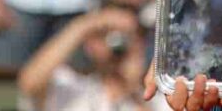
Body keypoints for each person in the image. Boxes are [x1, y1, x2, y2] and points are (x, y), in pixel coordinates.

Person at [18, 8, 155, 110]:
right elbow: (29, 83)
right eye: (105, 34)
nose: (118, 43)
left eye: (130, 36)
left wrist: (132, 85)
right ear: (89, 44)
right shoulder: (70, 85)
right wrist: (85, 25)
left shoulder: (155, 98)